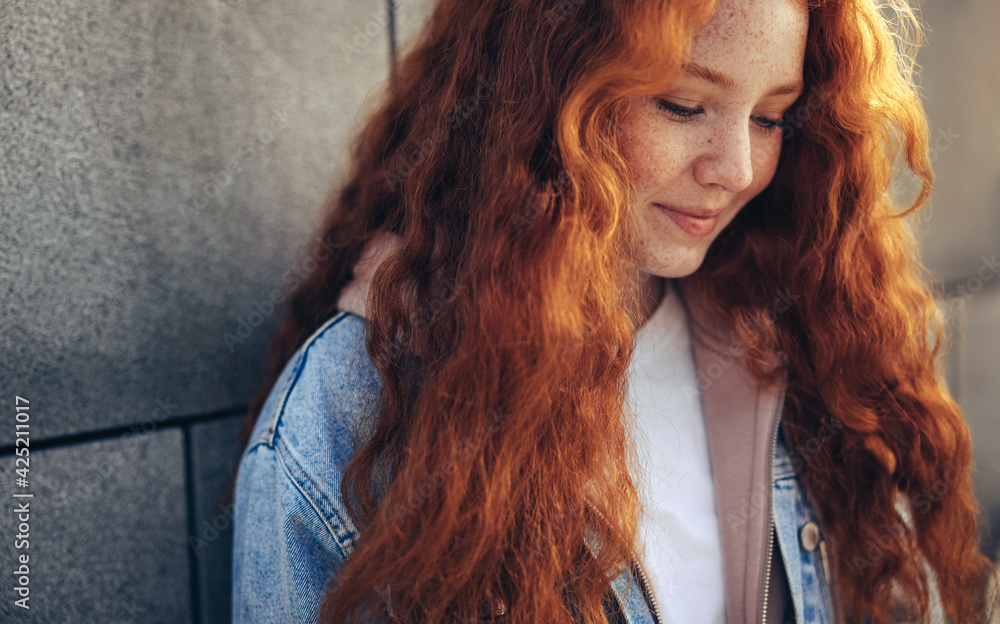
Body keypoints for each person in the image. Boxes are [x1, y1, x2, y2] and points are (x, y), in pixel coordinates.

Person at [230, 0, 999, 622]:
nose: (733, 169)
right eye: (682, 104)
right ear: (547, 94)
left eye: (770, 118)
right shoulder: (349, 408)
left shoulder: (801, 340)